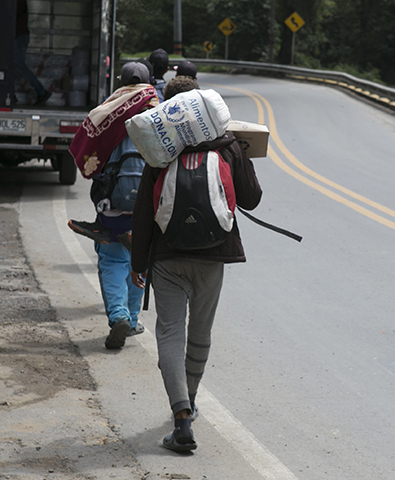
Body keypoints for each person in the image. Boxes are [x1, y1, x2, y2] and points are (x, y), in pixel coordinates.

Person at [130, 76, 262, 452]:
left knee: (170, 333)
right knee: (200, 334)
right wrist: (242, 157)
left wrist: (138, 262)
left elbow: (143, 211)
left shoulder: (159, 146)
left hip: (168, 254)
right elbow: (251, 200)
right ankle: (190, 399)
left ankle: (181, 416)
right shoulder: (226, 142)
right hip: (214, 252)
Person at [69, 62, 158, 349]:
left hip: (112, 210)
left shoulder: (107, 113)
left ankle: (118, 315)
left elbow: (89, 163)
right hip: (145, 211)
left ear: (120, 81)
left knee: (113, 262)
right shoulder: (158, 115)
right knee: (138, 263)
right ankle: (131, 320)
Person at [15, 0, 51, 106]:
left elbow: (12, 14)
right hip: (17, 36)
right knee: (10, 65)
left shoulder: (17, 3)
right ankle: (10, 95)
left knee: (19, 65)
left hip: (18, 36)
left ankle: (41, 91)